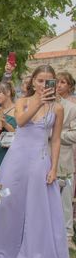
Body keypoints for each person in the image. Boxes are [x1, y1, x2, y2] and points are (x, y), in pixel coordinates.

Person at [0, 65, 70, 258]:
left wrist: (54, 168)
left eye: (48, 81)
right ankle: (3, 250)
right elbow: (21, 122)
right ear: (32, 82)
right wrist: (38, 101)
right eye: (40, 80)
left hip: (39, 159)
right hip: (15, 159)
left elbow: (56, 140)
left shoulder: (57, 108)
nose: (43, 85)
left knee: (36, 206)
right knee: (7, 201)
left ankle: (33, 253)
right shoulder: (23, 101)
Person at [57, 72, 76, 248]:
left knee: (65, 198)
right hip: (43, 157)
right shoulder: (45, 104)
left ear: (70, 86)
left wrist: (56, 135)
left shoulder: (71, 107)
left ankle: (67, 235)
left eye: (63, 82)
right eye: (57, 81)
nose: (59, 85)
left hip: (64, 157)